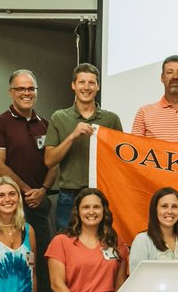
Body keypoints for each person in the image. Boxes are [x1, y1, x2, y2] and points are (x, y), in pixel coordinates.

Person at [0, 69, 55, 292]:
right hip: (8, 208)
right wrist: (26, 192)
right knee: (9, 263)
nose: (27, 93)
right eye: (21, 89)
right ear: (11, 92)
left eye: (31, 89)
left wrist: (44, 190)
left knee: (41, 263)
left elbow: (53, 163)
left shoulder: (45, 125)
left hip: (39, 205)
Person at [45, 63, 123, 231]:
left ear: (98, 87)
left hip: (102, 193)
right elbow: (49, 160)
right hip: (69, 195)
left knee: (103, 242)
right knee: (65, 243)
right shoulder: (59, 117)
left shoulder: (111, 119)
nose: (86, 87)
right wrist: (72, 136)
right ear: (73, 85)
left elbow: (120, 161)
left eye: (91, 83)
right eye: (81, 82)